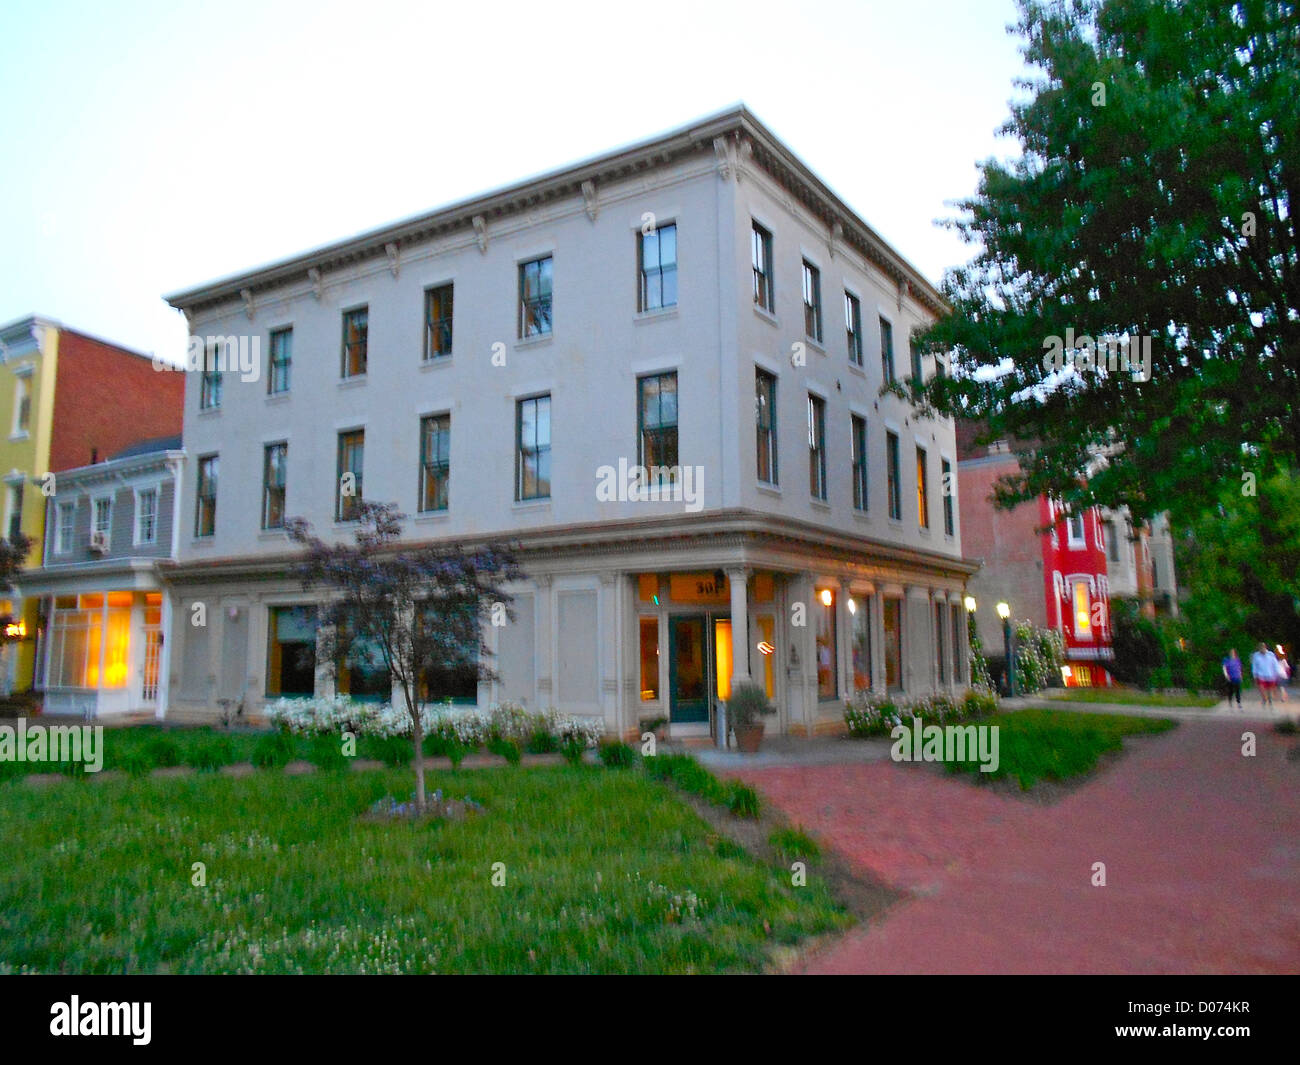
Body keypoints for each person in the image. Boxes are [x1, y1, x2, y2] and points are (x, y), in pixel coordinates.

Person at [1249, 642, 1280, 708]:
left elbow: (1275, 664)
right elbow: (1254, 666)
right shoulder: (1256, 655)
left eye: (1262, 649)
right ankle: (1264, 698)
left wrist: (1277, 673)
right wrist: (1254, 675)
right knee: (1261, 689)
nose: (1261, 650)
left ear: (1265, 648)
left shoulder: (1271, 655)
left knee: (1269, 690)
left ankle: (1270, 700)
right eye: (1260, 649)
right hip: (1260, 675)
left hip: (1270, 675)